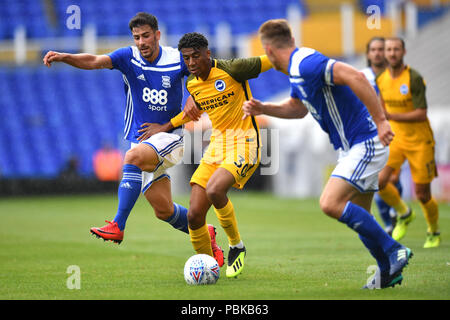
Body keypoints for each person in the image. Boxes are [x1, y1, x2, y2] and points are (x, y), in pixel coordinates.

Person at [242, 19, 412, 289]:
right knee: (359, 215)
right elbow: (298, 109)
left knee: (329, 203)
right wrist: (265, 108)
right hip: (351, 146)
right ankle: (388, 271)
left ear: (269, 50)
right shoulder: (297, 70)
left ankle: (394, 250)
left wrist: (381, 120)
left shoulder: (307, 64)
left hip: (364, 142)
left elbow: (354, 76)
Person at [43, 13, 221, 258]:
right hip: (144, 142)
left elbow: (207, 72)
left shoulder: (176, 59)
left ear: (157, 35)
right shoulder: (128, 57)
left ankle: (118, 225)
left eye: (146, 36)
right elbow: (95, 60)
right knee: (164, 211)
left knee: (132, 157)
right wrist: (65, 57)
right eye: (137, 37)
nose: (141, 42)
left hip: (173, 138)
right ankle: (205, 231)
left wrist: (194, 96)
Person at [142, 32, 272, 278]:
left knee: (214, 190)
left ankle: (236, 245)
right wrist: (165, 126)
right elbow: (192, 111)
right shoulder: (192, 84)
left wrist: (298, 62)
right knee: (194, 215)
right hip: (216, 148)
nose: (191, 63)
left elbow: (272, 59)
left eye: (195, 56)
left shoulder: (233, 69)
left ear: (207, 54)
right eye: (186, 58)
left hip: (245, 143)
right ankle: (208, 267)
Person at [376, 37, 440, 248]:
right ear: (385, 54)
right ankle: (405, 213)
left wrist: (391, 116)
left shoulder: (413, 78)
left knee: (422, 194)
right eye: (389, 50)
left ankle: (433, 230)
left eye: (396, 49)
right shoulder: (382, 80)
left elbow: (421, 114)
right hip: (397, 139)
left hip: (420, 141)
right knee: (379, 182)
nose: (392, 53)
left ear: (403, 52)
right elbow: (383, 111)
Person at [361, 37, 401, 235]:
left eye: (380, 49)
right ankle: (390, 219)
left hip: (397, 130)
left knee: (392, 177)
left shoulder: (396, 76)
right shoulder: (362, 76)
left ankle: (396, 213)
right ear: (368, 54)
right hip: (372, 134)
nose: (377, 53)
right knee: (380, 179)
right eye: (373, 49)